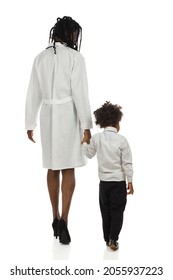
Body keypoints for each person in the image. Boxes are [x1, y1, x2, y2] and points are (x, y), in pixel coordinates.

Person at [25, 16, 92, 244]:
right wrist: (86, 125)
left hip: (47, 115)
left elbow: (33, 92)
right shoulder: (76, 58)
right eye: (75, 34)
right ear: (70, 34)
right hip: (68, 115)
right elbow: (81, 92)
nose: (76, 38)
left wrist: (29, 123)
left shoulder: (40, 58)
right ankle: (64, 220)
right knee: (69, 167)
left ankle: (53, 217)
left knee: (53, 166)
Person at [82, 101, 134, 251]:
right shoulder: (122, 140)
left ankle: (106, 238)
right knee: (117, 211)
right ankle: (113, 238)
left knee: (105, 211)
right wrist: (130, 181)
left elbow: (89, 154)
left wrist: (85, 143)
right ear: (117, 123)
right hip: (118, 183)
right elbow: (127, 163)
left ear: (102, 121)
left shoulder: (97, 138)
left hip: (103, 183)